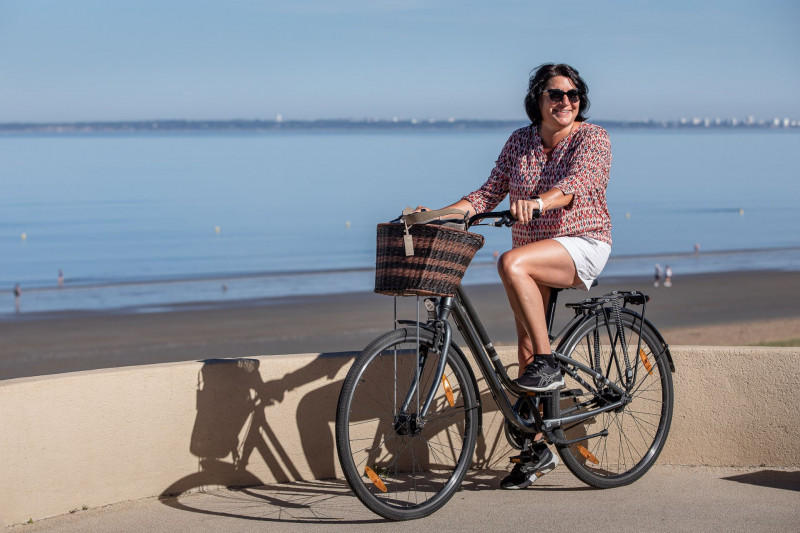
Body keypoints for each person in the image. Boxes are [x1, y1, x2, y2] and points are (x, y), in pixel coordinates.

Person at [417, 63, 612, 489]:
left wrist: (539, 203)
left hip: (582, 241)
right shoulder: (520, 141)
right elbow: (487, 194)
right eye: (555, 94)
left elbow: (578, 184)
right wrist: (435, 216)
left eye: (573, 94)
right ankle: (538, 449)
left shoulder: (592, 138)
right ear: (537, 100)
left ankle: (549, 364)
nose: (566, 102)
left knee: (510, 262)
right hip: (534, 251)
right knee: (525, 343)